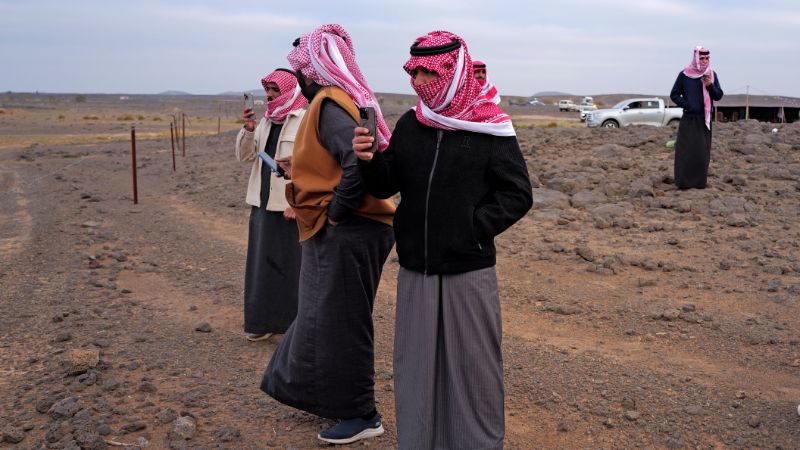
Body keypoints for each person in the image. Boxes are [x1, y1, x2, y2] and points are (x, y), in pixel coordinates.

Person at [353, 30, 533, 450]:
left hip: (468, 269)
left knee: (473, 367)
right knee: (416, 366)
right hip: (417, 266)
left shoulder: (490, 127)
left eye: (426, 72)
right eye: (412, 71)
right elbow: (385, 185)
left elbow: (518, 194)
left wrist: (471, 228)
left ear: (452, 72)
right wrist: (368, 160)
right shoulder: (411, 124)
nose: (416, 81)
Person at [259, 24, 396, 445]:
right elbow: (338, 162)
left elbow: (356, 164)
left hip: (350, 229)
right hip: (343, 227)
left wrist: (335, 211)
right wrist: (296, 169)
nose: (298, 75)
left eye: (301, 67)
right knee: (323, 315)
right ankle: (318, 394)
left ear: (313, 70)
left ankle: (362, 413)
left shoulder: (331, 104)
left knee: (343, 320)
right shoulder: (335, 102)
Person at [234, 69, 306, 341]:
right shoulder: (265, 121)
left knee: (291, 267)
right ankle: (261, 323)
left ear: (289, 90)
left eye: (275, 90)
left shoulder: (304, 120)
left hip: (289, 207)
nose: (269, 96)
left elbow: (312, 166)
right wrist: (248, 130)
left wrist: (299, 202)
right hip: (261, 203)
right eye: (267, 90)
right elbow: (246, 158)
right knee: (261, 266)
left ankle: (292, 329)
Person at [670, 45, 724, 189]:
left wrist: (710, 86)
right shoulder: (685, 75)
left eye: (707, 58)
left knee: (701, 154)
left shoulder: (711, 75)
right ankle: (683, 183)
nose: (705, 60)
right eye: (702, 58)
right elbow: (674, 94)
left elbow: (718, 96)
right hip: (689, 118)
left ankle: (699, 183)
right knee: (686, 152)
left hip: (704, 120)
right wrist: (687, 104)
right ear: (696, 58)